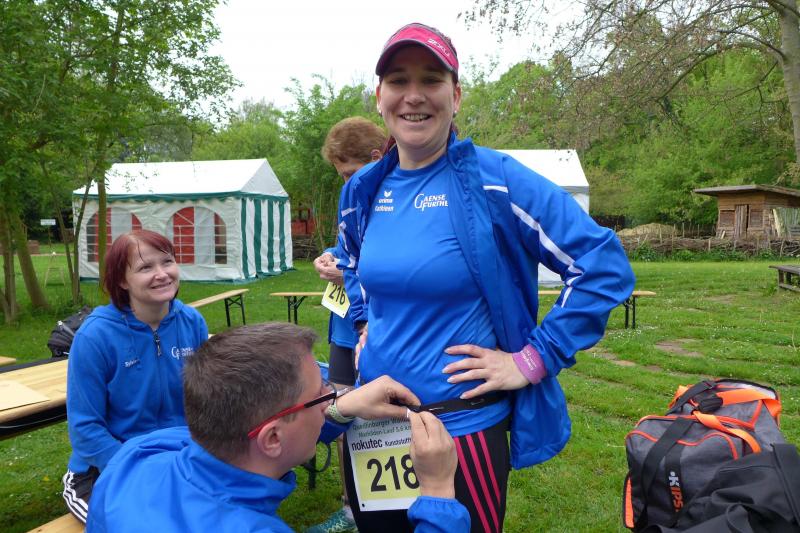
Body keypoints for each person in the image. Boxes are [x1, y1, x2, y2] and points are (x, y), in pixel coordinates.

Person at [335, 22, 636, 532]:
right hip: (375, 430)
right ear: (379, 95)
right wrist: (363, 324)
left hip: (462, 429)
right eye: (399, 81)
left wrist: (533, 359)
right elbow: (350, 260)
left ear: (455, 95)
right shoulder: (363, 189)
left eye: (431, 80)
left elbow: (601, 264)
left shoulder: (495, 180)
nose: (414, 96)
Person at [86, 322, 470, 532]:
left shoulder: (139, 455)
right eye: (320, 396)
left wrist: (338, 410)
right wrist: (437, 493)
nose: (331, 397)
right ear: (271, 438)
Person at [62, 230, 208, 523]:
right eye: (145, 267)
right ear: (122, 280)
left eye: (167, 262)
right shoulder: (95, 336)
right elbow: (85, 429)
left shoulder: (191, 322)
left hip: (178, 458)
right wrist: (140, 470)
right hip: (105, 469)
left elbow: (207, 400)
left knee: (218, 517)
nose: (162, 274)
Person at [309, 117, 387, 533]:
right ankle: (351, 508)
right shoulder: (352, 198)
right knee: (342, 415)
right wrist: (329, 257)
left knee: (386, 418)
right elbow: (346, 248)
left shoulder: (398, 201)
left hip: (379, 333)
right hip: (344, 331)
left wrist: (350, 273)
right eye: (341, 176)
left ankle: (394, 507)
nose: (347, 183)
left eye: (349, 173)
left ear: (376, 158)